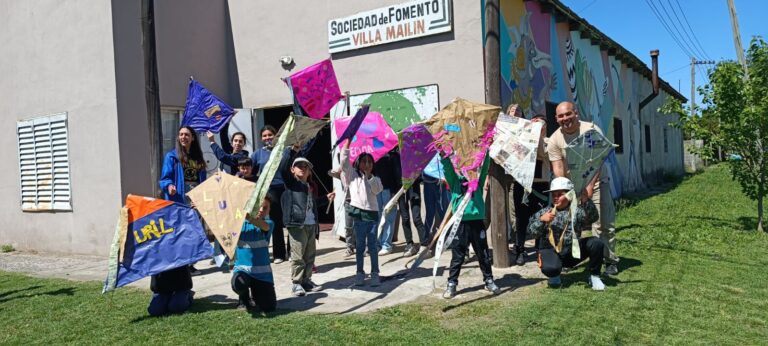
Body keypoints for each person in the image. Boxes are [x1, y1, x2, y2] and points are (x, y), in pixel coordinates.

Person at [547, 101, 619, 276]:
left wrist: (588, 186)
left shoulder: (591, 131)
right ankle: (570, 259)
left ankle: (609, 261)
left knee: (602, 223)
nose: (566, 119)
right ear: (556, 119)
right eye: (561, 116)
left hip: (597, 182)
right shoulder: (555, 139)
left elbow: (598, 161)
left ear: (576, 113)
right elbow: (558, 168)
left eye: (568, 114)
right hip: (572, 188)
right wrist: (564, 191)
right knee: (570, 224)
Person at [150, 126, 206, 316]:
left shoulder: (198, 158)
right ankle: (181, 270)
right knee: (176, 237)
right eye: (181, 134)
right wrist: (170, 185)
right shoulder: (172, 157)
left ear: (192, 138)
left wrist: (202, 199)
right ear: (178, 137)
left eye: (187, 135)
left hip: (193, 200)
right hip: (176, 201)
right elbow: (163, 179)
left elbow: (202, 182)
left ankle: (188, 265)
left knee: (191, 234)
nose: (184, 137)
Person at [527, 177, 606, 290]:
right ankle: (554, 275)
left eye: (559, 194)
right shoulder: (545, 212)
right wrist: (541, 221)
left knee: (596, 243)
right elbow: (531, 232)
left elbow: (593, 218)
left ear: (569, 195)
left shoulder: (577, 211)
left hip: (572, 252)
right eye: (553, 194)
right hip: (551, 251)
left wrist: (586, 201)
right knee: (551, 269)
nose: (555, 197)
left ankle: (594, 276)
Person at [440, 150, 500, 299]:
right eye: (463, 165)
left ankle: (488, 279)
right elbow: (447, 168)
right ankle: (452, 283)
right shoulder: (455, 181)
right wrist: (443, 155)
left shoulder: (477, 182)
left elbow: (485, 168)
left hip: (477, 222)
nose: (467, 168)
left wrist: (486, 151)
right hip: (460, 224)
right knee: (458, 255)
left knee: (483, 253)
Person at [280, 148, 322, 297]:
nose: (303, 169)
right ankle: (296, 283)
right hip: (297, 224)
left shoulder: (309, 187)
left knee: (310, 255)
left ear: (309, 171)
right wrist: (291, 152)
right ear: (292, 170)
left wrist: (326, 199)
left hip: (311, 224)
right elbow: (282, 167)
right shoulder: (291, 183)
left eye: (306, 167)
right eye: (300, 166)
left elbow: (312, 204)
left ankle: (307, 280)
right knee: (298, 255)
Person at [341, 140, 384, 286]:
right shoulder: (352, 175)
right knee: (359, 246)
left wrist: (369, 176)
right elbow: (344, 161)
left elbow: (377, 190)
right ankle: (359, 273)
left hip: (372, 216)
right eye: (364, 162)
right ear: (358, 163)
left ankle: (375, 273)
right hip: (359, 215)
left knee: (372, 246)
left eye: (369, 162)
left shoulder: (376, 178)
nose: (367, 164)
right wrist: (347, 144)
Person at [510, 114, 551, 266]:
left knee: (541, 217)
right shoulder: (521, 141)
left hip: (540, 185)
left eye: (541, 125)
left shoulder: (548, 142)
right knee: (521, 219)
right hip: (522, 184)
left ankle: (540, 248)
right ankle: (520, 249)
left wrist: (538, 134)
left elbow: (542, 153)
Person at [231, 195, 277, 312]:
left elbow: (264, 226)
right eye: (258, 207)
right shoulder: (239, 224)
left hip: (263, 275)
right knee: (239, 284)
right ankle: (244, 299)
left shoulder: (269, 223)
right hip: (243, 270)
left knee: (269, 307)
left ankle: (256, 296)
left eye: (265, 208)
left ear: (269, 210)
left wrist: (249, 217)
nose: (261, 210)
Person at [251, 125, 289, 264]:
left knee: (289, 221)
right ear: (261, 138)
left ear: (276, 136)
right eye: (264, 135)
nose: (267, 138)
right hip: (270, 190)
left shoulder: (284, 151)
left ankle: (292, 251)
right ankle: (279, 254)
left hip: (285, 189)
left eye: (270, 135)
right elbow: (251, 172)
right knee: (276, 222)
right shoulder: (257, 154)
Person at [374, 149, 400, 255]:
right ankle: (377, 243)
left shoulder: (393, 155)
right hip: (376, 189)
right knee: (377, 216)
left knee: (389, 216)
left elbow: (397, 174)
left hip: (389, 189)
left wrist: (395, 191)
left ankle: (387, 245)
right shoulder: (374, 154)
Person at [398, 178, 427, 256]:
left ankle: (424, 245)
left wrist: (414, 178)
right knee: (405, 218)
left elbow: (420, 176)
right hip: (400, 191)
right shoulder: (396, 165)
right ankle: (410, 245)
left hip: (414, 192)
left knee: (416, 219)